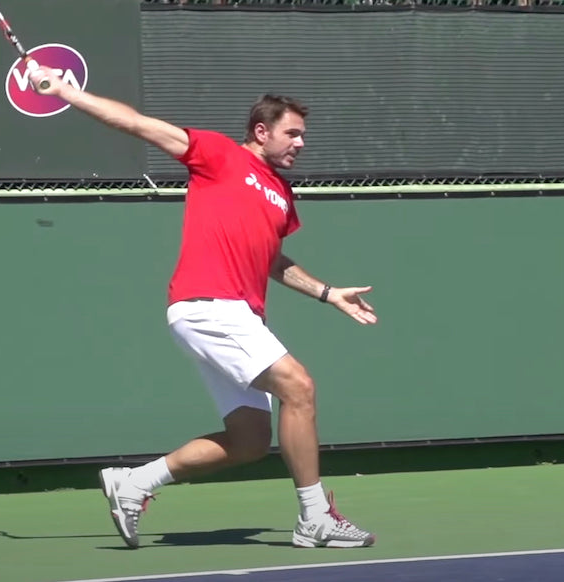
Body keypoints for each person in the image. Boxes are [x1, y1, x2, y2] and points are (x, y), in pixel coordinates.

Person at [28, 66, 377, 550]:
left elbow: (272, 259)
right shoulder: (219, 154)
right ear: (262, 131)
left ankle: (134, 483)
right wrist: (67, 91)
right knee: (299, 386)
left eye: (302, 136)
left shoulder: (280, 194)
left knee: (251, 440)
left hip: (238, 316)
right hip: (209, 307)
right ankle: (315, 518)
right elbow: (136, 124)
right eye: (292, 134)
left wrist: (326, 291)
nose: (300, 143)